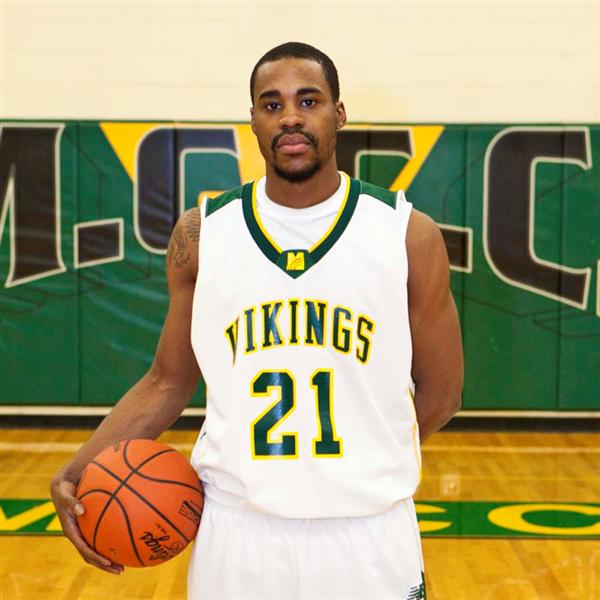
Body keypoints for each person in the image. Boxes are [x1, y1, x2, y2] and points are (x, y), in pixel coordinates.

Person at [51, 42, 463, 599]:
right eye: (272, 104)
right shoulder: (202, 235)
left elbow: (442, 395)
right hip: (237, 534)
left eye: (308, 100)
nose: (290, 116)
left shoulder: (407, 235)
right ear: (252, 120)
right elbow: (167, 381)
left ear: (339, 113)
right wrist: (78, 469)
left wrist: (365, 457)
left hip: (369, 532)